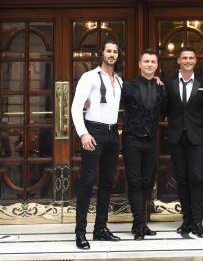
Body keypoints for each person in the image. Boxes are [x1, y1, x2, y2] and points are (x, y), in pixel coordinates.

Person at [71, 41, 123, 250]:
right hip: (93, 131)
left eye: (115, 52)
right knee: (88, 181)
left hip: (112, 133)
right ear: (102, 53)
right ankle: (80, 232)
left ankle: (100, 228)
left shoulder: (119, 81)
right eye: (108, 51)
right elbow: (76, 107)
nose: (111, 54)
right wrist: (83, 134)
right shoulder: (89, 77)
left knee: (108, 181)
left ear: (118, 56)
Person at [164, 47, 203, 237]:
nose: (188, 61)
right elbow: (164, 106)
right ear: (178, 60)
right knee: (182, 179)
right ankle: (187, 220)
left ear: (195, 60)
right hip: (176, 137)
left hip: (196, 137)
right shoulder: (168, 82)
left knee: (197, 178)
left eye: (191, 58)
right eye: (184, 58)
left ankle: (198, 222)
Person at [121, 48, 166, 240]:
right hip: (132, 138)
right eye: (146, 61)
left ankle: (139, 222)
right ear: (140, 64)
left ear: (156, 65)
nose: (149, 65)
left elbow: (165, 110)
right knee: (134, 181)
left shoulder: (160, 87)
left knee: (147, 180)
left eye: (153, 62)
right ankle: (140, 223)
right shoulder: (128, 86)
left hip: (151, 140)